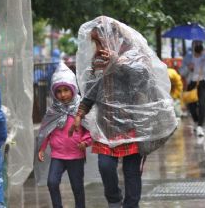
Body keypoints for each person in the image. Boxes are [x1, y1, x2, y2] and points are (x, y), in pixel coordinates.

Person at [71, 16, 177, 208]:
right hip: (107, 129)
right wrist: (80, 113)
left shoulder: (133, 55)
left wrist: (117, 62)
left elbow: (143, 80)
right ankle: (114, 200)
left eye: (99, 40)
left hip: (132, 126)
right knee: (105, 166)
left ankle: (131, 205)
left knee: (132, 171)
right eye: (95, 41)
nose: (97, 45)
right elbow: (91, 91)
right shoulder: (98, 61)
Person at [36, 62, 92, 208]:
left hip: (76, 155)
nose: (63, 95)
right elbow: (46, 130)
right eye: (59, 91)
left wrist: (85, 142)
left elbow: (90, 130)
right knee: (52, 182)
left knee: (77, 187)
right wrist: (41, 148)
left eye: (66, 90)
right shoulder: (53, 110)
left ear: (73, 89)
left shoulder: (81, 108)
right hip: (58, 155)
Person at [179, 40, 205, 137]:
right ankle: (196, 121)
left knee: (202, 104)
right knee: (192, 106)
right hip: (192, 84)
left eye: (199, 44)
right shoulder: (188, 58)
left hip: (204, 83)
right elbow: (181, 72)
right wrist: (188, 68)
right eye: (196, 44)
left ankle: (200, 126)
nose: (198, 46)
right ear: (193, 46)